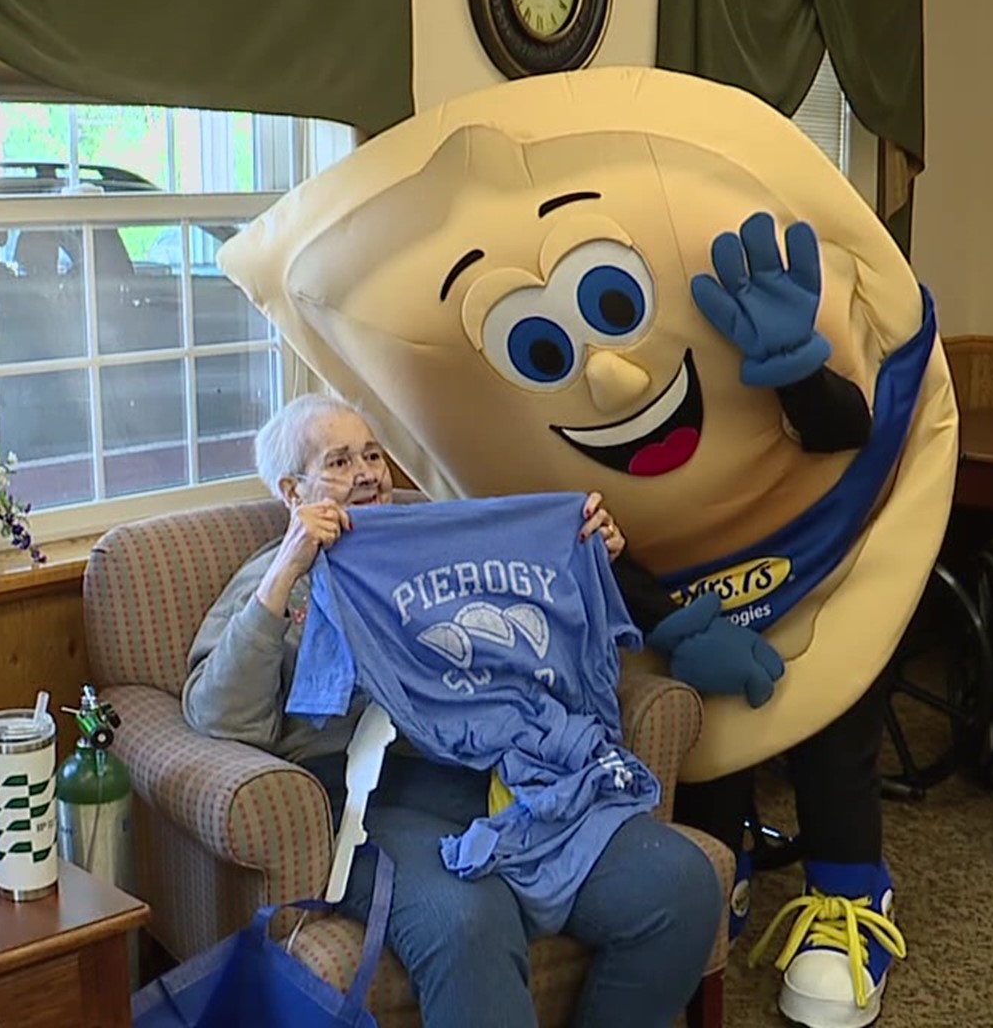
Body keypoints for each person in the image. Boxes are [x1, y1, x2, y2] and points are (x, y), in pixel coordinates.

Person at [183, 393, 723, 1028]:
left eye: (372, 454)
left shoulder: (443, 545)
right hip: (367, 799)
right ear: (292, 491)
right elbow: (216, 717)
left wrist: (582, 560)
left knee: (681, 882)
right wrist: (287, 571)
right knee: (469, 917)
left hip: (495, 774)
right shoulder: (270, 578)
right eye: (338, 461)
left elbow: (526, 631)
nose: (366, 473)